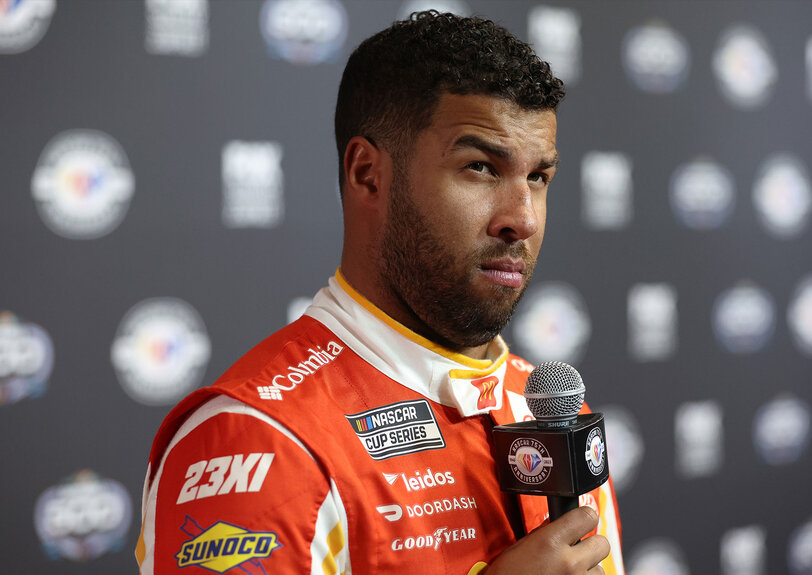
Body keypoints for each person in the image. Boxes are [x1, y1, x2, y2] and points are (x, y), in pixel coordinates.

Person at [136, 11, 624, 575]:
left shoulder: (555, 416)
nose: (522, 220)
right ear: (368, 173)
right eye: (480, 167)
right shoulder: (259, 443)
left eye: (538, 178)